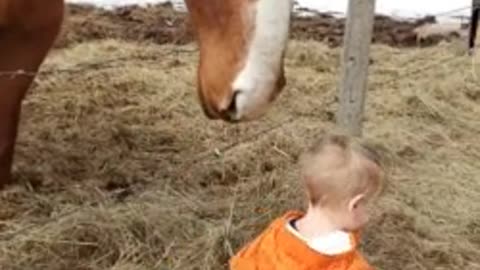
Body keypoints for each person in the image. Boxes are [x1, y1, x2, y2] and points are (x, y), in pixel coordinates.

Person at [229, 133, 386, 270]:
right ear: (355, 205)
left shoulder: (275, 234)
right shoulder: (349, 266)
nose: (371, 213)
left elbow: (241, 264)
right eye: (370, 204)